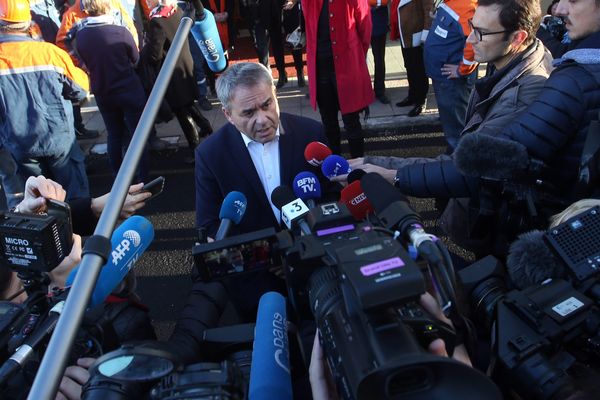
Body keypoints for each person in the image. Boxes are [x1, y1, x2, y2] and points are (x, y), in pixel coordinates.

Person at [337, 0, 551, 258]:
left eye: (480, 32)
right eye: (472, 27)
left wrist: (389, 172)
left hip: (499, 227)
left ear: (517, 38)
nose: (470, 39)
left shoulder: (524, 95)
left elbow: (465, 170)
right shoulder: (512, 65)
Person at [194, 62, 334, 320]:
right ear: (228, 114)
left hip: (317, 270)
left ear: (274, 95)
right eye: (248, 113)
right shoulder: (210, 155)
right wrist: (266, 257)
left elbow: (330, 196)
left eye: (267, 105)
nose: (262, 119)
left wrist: (303, 249)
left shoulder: (311, 134)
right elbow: (210, 225)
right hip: (256, 286)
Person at [0, 0, 91, 201]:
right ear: (27, 22)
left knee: (40, 204)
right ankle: (79, 230)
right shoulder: (50, 53)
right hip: (59, 141)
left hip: (21, 147)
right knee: (76, 199)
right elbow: (81, 91)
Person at [75, 0, 150, 183]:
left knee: (114, 134)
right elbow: (135, 59)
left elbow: (83, 61)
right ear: (107, 6)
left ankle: (118, 174)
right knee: (137, 134)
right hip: (128, 89)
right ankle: (143, 176)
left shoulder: (81, 36)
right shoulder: (120, 32)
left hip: (103, 91)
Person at [143, 0, 213, 163]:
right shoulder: (176, 11)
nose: (146, 2)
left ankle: (195, 147)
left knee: (181, 111)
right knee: (188, 103)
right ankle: (205, 125)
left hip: (171, 71)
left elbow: (155, 54)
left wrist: (144, 50)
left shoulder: (156, 21)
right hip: (185, 63)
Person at [302, 0, 374, 157]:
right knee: (328, 123)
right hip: (320, 68)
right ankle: (334, 167)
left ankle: (357, 167)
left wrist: (356, 56)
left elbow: (365, 27)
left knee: (351, 122)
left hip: (346, 66)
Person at [424, 0, 478, 151]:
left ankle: (459, 159)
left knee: (457, 124)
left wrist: (463, 69)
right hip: (443, 77)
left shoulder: (466, 6)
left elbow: (474, 42)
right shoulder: (451, 2)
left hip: (452, 81)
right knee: (451, 119)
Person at [389, 0, 432, 116]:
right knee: (409, 66)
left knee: (419, 70)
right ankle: (412, 96)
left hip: (417, 34)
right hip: (406, 34)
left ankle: (421, 101)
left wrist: (426, 33)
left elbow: (429, 10)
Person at [370, 0, 390, 104]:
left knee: (379, 60)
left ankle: (379, 91)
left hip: (378, 23)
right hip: (357, 23)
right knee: (358, 61)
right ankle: (363, 90)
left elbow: (385, 1)